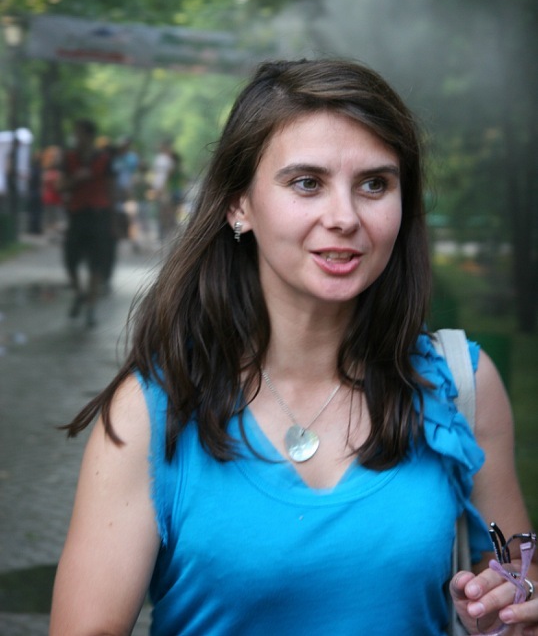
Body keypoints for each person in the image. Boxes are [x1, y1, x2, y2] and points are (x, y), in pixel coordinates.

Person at [50, 60, 536, 635]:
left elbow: (515, 584)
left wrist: (511, 611)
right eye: (307, 183)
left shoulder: (462, 387)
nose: (344, 217)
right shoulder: (150, 411)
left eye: (374, 184)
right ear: (239, 205)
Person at [59, 118, 114, 328]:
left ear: (89, 135)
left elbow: (111, 188)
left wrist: (113, 221)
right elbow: (60, 185)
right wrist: (76, 179)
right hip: (77, 215)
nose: (76, 137)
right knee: (70, 260)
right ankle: (79, 293)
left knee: (95, 264)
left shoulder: (104, 159)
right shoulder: (69, 157)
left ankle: (91, 307)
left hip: (98, 216)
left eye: (79, 133)